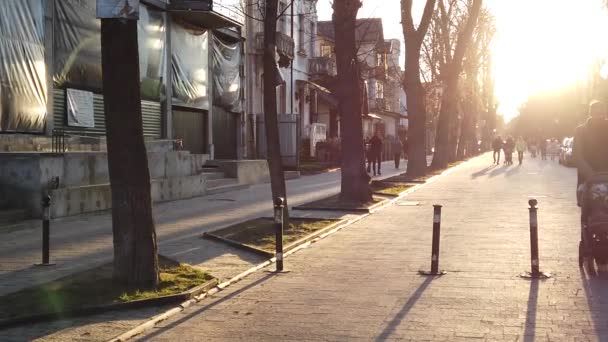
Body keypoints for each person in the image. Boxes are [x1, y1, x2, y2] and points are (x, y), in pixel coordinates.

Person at [574, 100, 608, 270]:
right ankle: (587, 245)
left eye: (603, 112)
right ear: (590, 113)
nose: (600, 115)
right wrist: (591, 175)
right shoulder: (581, 131)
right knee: (587, 213)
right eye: (597, 112)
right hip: (588, 180)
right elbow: (578, 156)